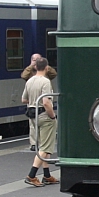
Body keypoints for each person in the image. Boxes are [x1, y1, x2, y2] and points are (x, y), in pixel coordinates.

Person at [22, 58, 57, 187]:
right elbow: (46, 102)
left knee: (43, 145)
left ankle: (47, 175)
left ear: (35, 67)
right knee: (45, 148)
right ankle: (32, 175)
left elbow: (23, 99)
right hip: (44, 115)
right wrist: (52, 116)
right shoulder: (46, 82)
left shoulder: (29, 81)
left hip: (33, 115)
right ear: (47, 68)